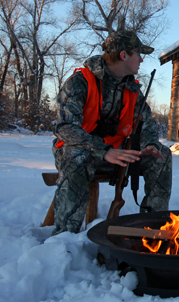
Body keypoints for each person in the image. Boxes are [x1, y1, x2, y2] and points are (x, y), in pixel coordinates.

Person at [51, 30, 172, 235]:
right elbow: (65, 128)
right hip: (81, 153)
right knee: (78, 156)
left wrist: (149, 144)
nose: (142, 59)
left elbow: (147, 123)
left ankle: (153, 229)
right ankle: (65, 237)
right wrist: (104, 150)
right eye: (138, 54)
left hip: (117, 156)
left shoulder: (132, 89)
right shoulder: (79, 82)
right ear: (124, 55)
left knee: (162, 155)